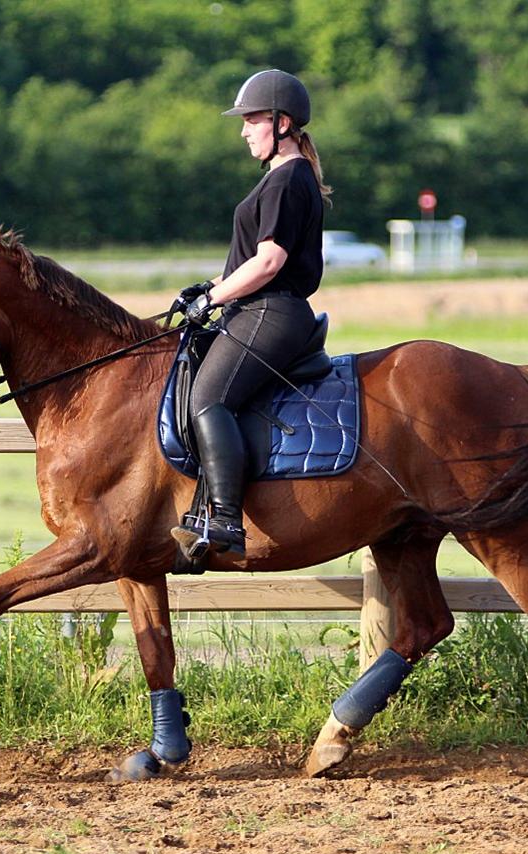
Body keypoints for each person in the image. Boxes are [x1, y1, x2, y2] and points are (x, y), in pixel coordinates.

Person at [170, 69, 332, 557]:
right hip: (256, 307)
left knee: (207, 400)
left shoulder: (288, 179)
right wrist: (209, 287)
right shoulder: (282, 178)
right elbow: (248, 264)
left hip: (271, 313)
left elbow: (269, 262)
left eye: (252, 119)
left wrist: (212, 302)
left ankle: (223, 521)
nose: (243, 130)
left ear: (282, 123)